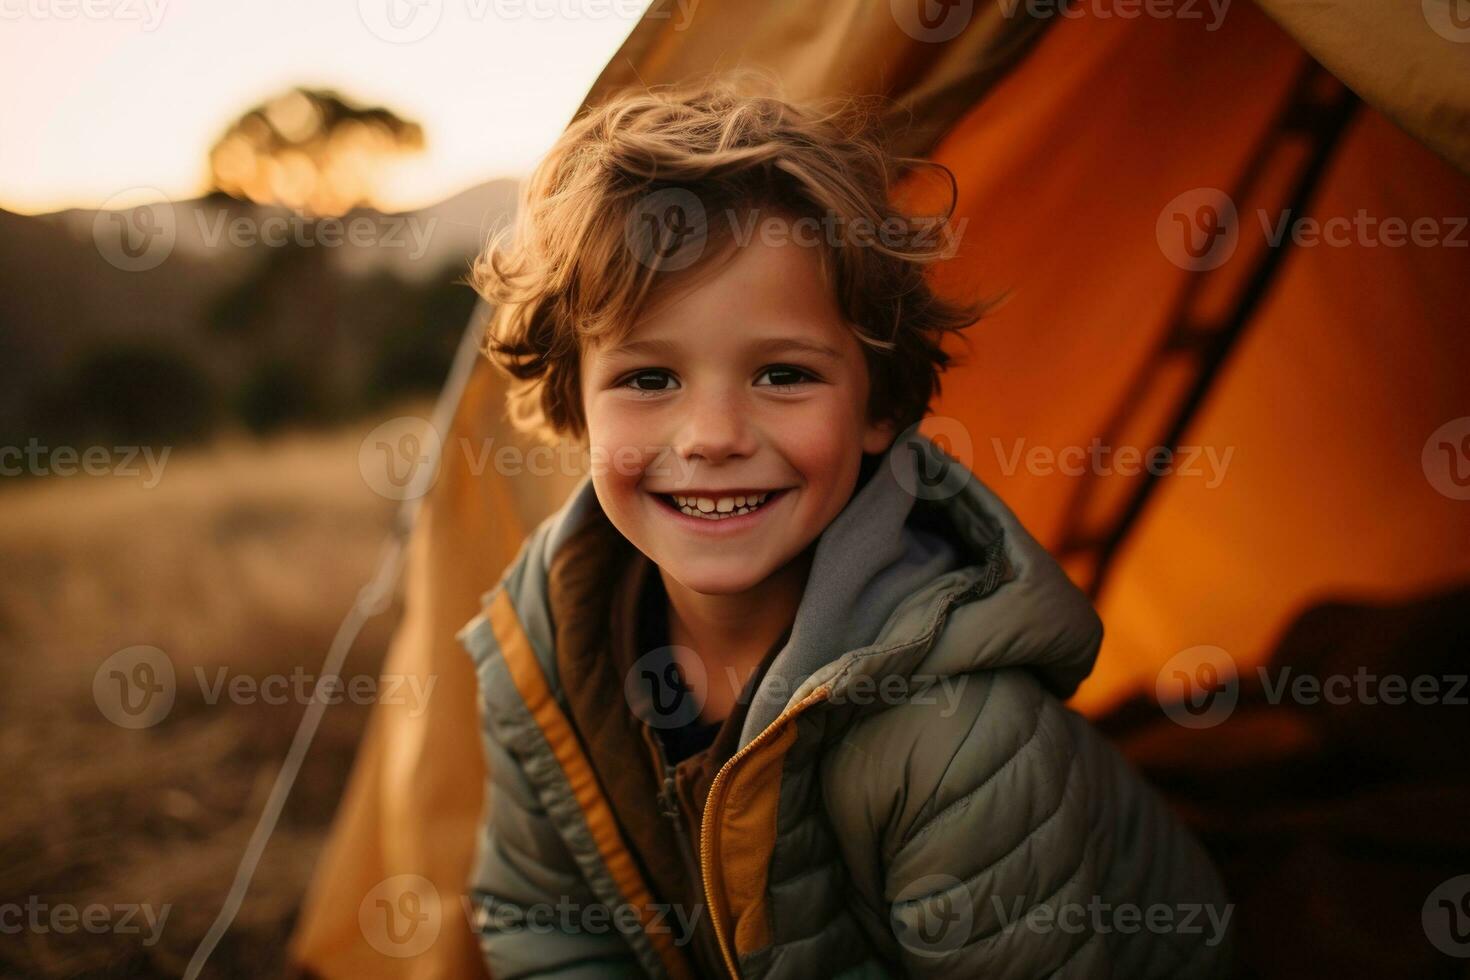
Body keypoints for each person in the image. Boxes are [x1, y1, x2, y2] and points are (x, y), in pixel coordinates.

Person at [456, 71, 1232, 979]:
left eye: (783, 375)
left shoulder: (955, 735)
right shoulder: (540, 656)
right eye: (648, 379)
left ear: (878, 407)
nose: (711, 438)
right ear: (576, 408)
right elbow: (545, 928)